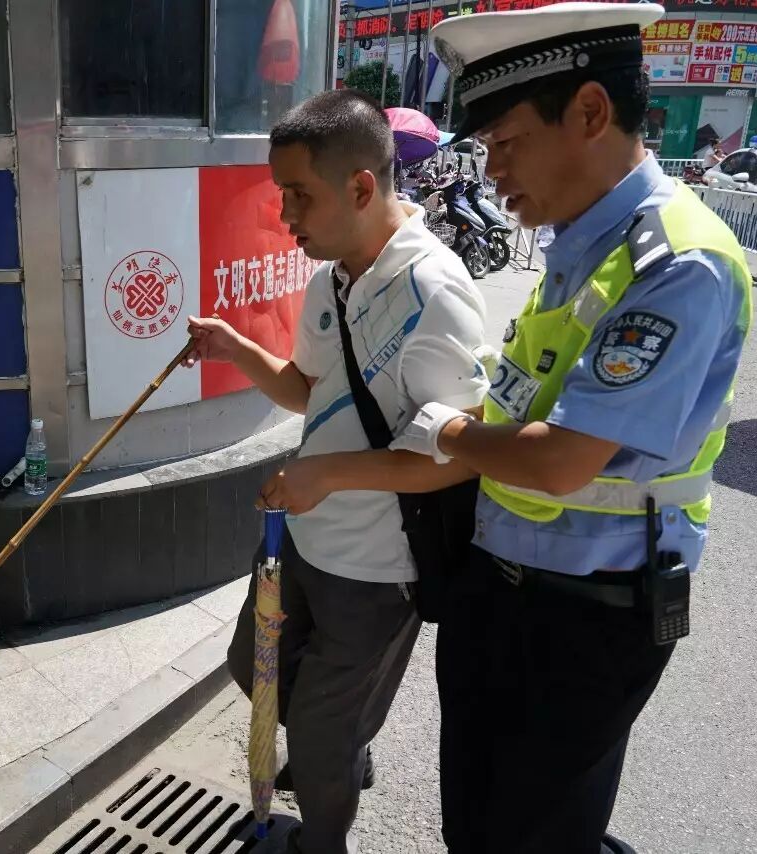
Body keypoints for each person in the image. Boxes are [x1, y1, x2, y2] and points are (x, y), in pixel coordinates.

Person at [261, 4, 753, 852]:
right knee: (482, 824)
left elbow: (559, 461)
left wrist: (443, 431)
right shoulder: (580, 249)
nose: (491, 171)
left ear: (590, 112)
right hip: (501, 588)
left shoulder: (676, 264)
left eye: (507, 143)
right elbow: (515, 406)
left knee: (533, 832)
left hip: (589, 615)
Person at [184, 89, 489, 854]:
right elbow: (306, 390)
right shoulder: (331, 276)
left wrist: (325, 476)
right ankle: (345, 747)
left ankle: (322, 831)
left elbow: (458, 459)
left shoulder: (436, 292)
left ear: (360, 187)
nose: (285, 215)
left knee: (318, 742)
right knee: (254, 670)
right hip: (303, 543)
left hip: (379, 570)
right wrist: (234, 347)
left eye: (299, 195)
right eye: (281, 193)